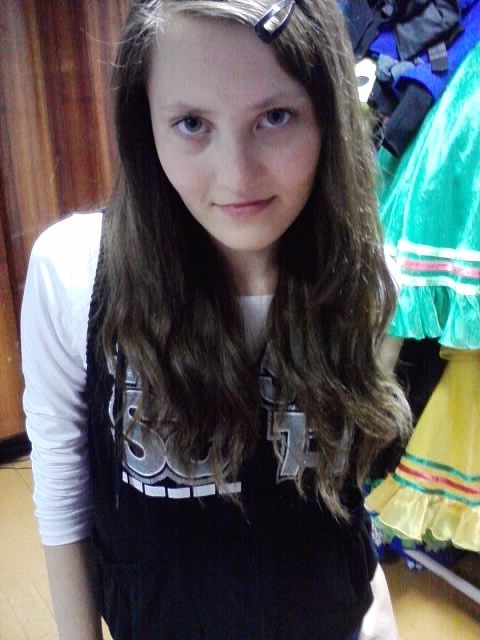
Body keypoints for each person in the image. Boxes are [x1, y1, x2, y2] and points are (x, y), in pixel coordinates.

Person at [21, 1, 411, 638]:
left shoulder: (364, 277)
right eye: (192, 123)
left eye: (275, 117)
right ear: (145, 122)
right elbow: (63, 493)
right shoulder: (74, 273)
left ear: (327, 115)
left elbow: (344, 499)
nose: (237, 176)